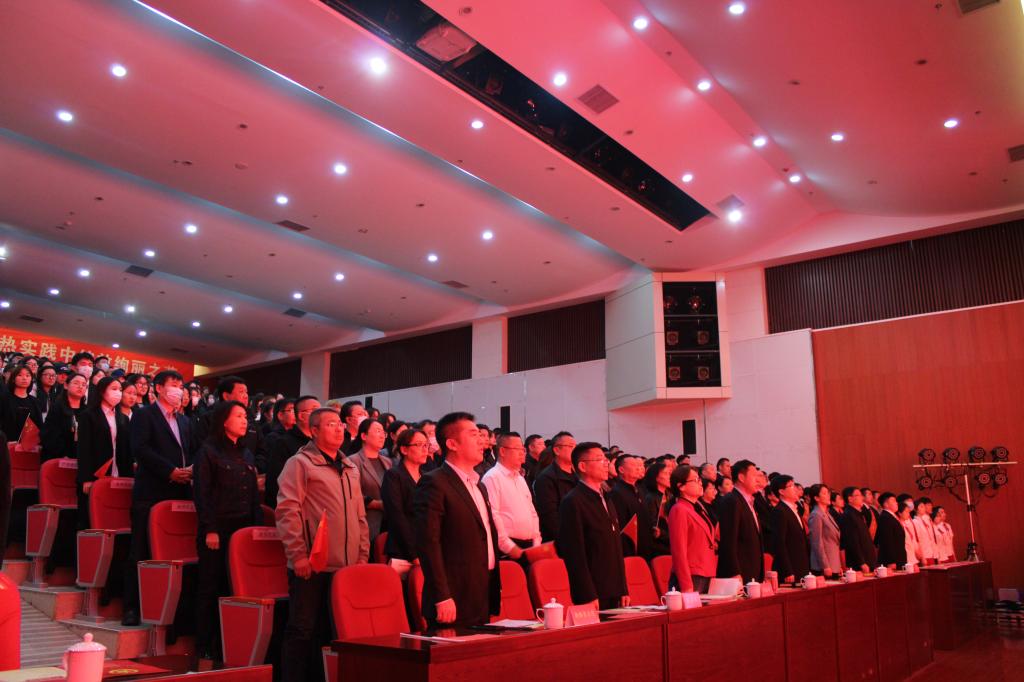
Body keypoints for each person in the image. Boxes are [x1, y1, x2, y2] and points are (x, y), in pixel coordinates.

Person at [276, 407, 369, 682]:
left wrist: (362, 557)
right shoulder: (300, 463)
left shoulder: (350, 467)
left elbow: (360, 516)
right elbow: (287, 510)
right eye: (331, 424)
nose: (339, 428)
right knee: (302, 630)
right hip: (312, 564)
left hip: (347, 567)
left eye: (340, 424)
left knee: (334, 632)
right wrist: (298, 555)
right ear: (314, 431)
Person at [122, 370, 196, 626]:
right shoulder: (144, 414)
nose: (179, 389)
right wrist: (169, 471)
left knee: (173, 553)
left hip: (181, 490)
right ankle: (131, 607)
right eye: (174, 384)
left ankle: (170, 609)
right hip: (152, 491)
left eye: (181, 385)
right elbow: (140, 449)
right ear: (159, 388)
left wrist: (189, 470)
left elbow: (190, 451)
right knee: (140, 549)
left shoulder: (185, 420)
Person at [413, 412, 501, 627]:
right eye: (473, 435)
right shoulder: (434, 483)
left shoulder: (479, 485)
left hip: (481, 590)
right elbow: (428, 543)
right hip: (452, 596)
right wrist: (442, 596)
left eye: (481, 435)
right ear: (452, 444)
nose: (481, 440)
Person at [193, 400, 263, 660]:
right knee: (210, 586)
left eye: (246, 416)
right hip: (217, 528)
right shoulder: (208, 451)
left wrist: (256, 529)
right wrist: (210, 529)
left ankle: (229, 643)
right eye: (239, 416)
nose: (245, 421)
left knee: (234, 587)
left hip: (242, 529)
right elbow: (202, 494)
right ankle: (203, 645)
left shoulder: (246, 453)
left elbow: (254, 496)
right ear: (224, 421)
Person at [557, 442, 629, 609]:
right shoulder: (573, 501)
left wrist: (623, 588)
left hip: (615, 589)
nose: (606, 464)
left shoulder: (607, 498)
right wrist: (587, 594)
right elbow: (574, 554)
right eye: (599, 459)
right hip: (593, 593)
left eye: (606, 459)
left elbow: (616, 547)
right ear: (582, 466)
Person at [76, 377, 131, 529]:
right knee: (92, 518)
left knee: (114, 517)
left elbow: (126, 449)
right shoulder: (88, 415)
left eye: (120, 390)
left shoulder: (123, 418)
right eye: (114, 389)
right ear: (102, 391)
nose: (118, 393)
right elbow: (84, 448)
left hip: (118, 472)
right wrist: (86, 478)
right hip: (96, 473)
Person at [481, 431, 541, 563]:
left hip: (530, 545)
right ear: (502, 451)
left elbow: (532, 512)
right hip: (508, 549)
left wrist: (536, 541)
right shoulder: (492, 477)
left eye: (523, 449)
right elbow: (493, 515)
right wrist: (508, 546)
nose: (522, 453)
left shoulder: (520, 478)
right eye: (518, 449)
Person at [380, 428, 428, 574]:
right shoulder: (393, 476)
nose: (424, 449)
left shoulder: (427, 478)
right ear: (404, 449)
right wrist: (413, 553)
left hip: (426, 548)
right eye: (419, 445)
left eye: (426, 445)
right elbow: (396, 516)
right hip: (403, 550)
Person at [196, 377, 267, 473]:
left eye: (246, 392)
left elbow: (262, 451)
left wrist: (256, 468)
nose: (246, 396)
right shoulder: (209, 419)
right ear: (226, 396)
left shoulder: (251, 420)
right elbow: (203, 451)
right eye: (241, 392)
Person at [667, 465, 716, 593]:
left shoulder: (698, 509)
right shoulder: (679, 509)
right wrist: (686, 585)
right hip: (691, 575)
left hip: (707, 572)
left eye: (699, 479)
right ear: (681, 486)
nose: (700, 483)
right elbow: (679, 551)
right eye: (695, 480)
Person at [264, 395, 320, 507]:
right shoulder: (284, 443)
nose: (321, 414)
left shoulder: (320, 441)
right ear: (301, 416)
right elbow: (275, 482)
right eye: (315, 410)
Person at [715, 460, 764, 583]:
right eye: (754, 476)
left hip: (752, 571)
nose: (758, 480)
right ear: (741, 477)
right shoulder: (732, 501)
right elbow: (728, 540)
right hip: (739, 573)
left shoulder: (749, 501)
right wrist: (734, 572)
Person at [348, 418, 391, 541]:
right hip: (368, 522)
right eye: (377, 431)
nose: (382, 436)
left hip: (389, 522)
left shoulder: (387, 461)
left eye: (383, 432)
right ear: (364, 436)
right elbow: (350, 494)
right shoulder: (353, 461)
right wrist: (376, 504)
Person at [533, 431, 577, 543]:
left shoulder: (578, 477)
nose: (575, 450)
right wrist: (568, 540)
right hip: (561, 541)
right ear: (557, 450)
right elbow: (550, 518)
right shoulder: (546, 478)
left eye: (575, 446)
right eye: (570, 446)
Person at [607, 455, 654, 559]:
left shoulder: (639, 490)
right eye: (633, 465)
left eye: (638, 465)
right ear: (621, 470)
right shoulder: (616, 493)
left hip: (646, 544)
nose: (638, 468)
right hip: (630, 549)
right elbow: (621, 527)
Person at [769, 475, 810, 583]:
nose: (795, 489)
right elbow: (779, 543)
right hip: (790, 569)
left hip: (801, 565)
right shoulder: (779, 511)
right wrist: (787, 570)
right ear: (781, 491)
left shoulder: (794, 509)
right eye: (791, 486)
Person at [40, 372, 88, 462]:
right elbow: (50, 435)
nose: (80, 387)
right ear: (66, 385)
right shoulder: (57, 408)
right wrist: (64, 454)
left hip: (80, 460)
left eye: (84, 384)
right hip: (58, 458)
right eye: (76, 383)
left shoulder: (87, 411)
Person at [839, 487, 877, 574]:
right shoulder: (848, 515)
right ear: (850, 499)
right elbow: (852, 541)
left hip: (868, 559)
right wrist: (861, 562)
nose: (862, 497)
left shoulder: (858, 513)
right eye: (858, 495)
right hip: (859, 563)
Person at [0, 364, 42, 442]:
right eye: (20, 375)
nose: (24, 378)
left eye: (27, 375)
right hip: (6, 443)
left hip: (28, 445)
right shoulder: (4, 399)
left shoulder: (35, 402)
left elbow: (39, 425)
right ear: (13, 379)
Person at [807, 484, 841, 577]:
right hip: (824, 565)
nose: (828, 495)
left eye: (828, 493)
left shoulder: (826, 513)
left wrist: (838, 565)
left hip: (833, 562)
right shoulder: (816, 515)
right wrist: (825, 566)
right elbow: (816, 542)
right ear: (816, 498)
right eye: (825, 493)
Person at [640, 459, 673, 556]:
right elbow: (654, 527)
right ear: (656, 478)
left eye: (669, 473)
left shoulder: (670, 495)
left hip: (672, 539)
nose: (669, 477)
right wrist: (662, 533)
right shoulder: (650, 498)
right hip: (660, 546)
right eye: (666, 474)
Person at [874, 492, 906, 570]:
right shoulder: (885, 517)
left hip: (899, 557)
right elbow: (887, 540)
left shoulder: (892, 516)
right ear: (886, 504)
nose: (896, 503)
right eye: (893, 501)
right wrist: (891, 561)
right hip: (892, 561)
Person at [912, 497, 939, 566]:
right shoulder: (915, 522)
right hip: (924, 554)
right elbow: (918, 541)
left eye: (924, 506)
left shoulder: (925, 520)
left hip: (931, 553)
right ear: (916, 509)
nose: (924, 508)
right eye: (921, 506)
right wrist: (922, 557)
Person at [898, 501, 919, 569]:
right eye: (906, 512)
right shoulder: (899, 526)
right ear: (900, 513)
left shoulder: (905, 524)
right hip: (906, 559)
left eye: (909, 512)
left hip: (912, 557)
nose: (909, 514)